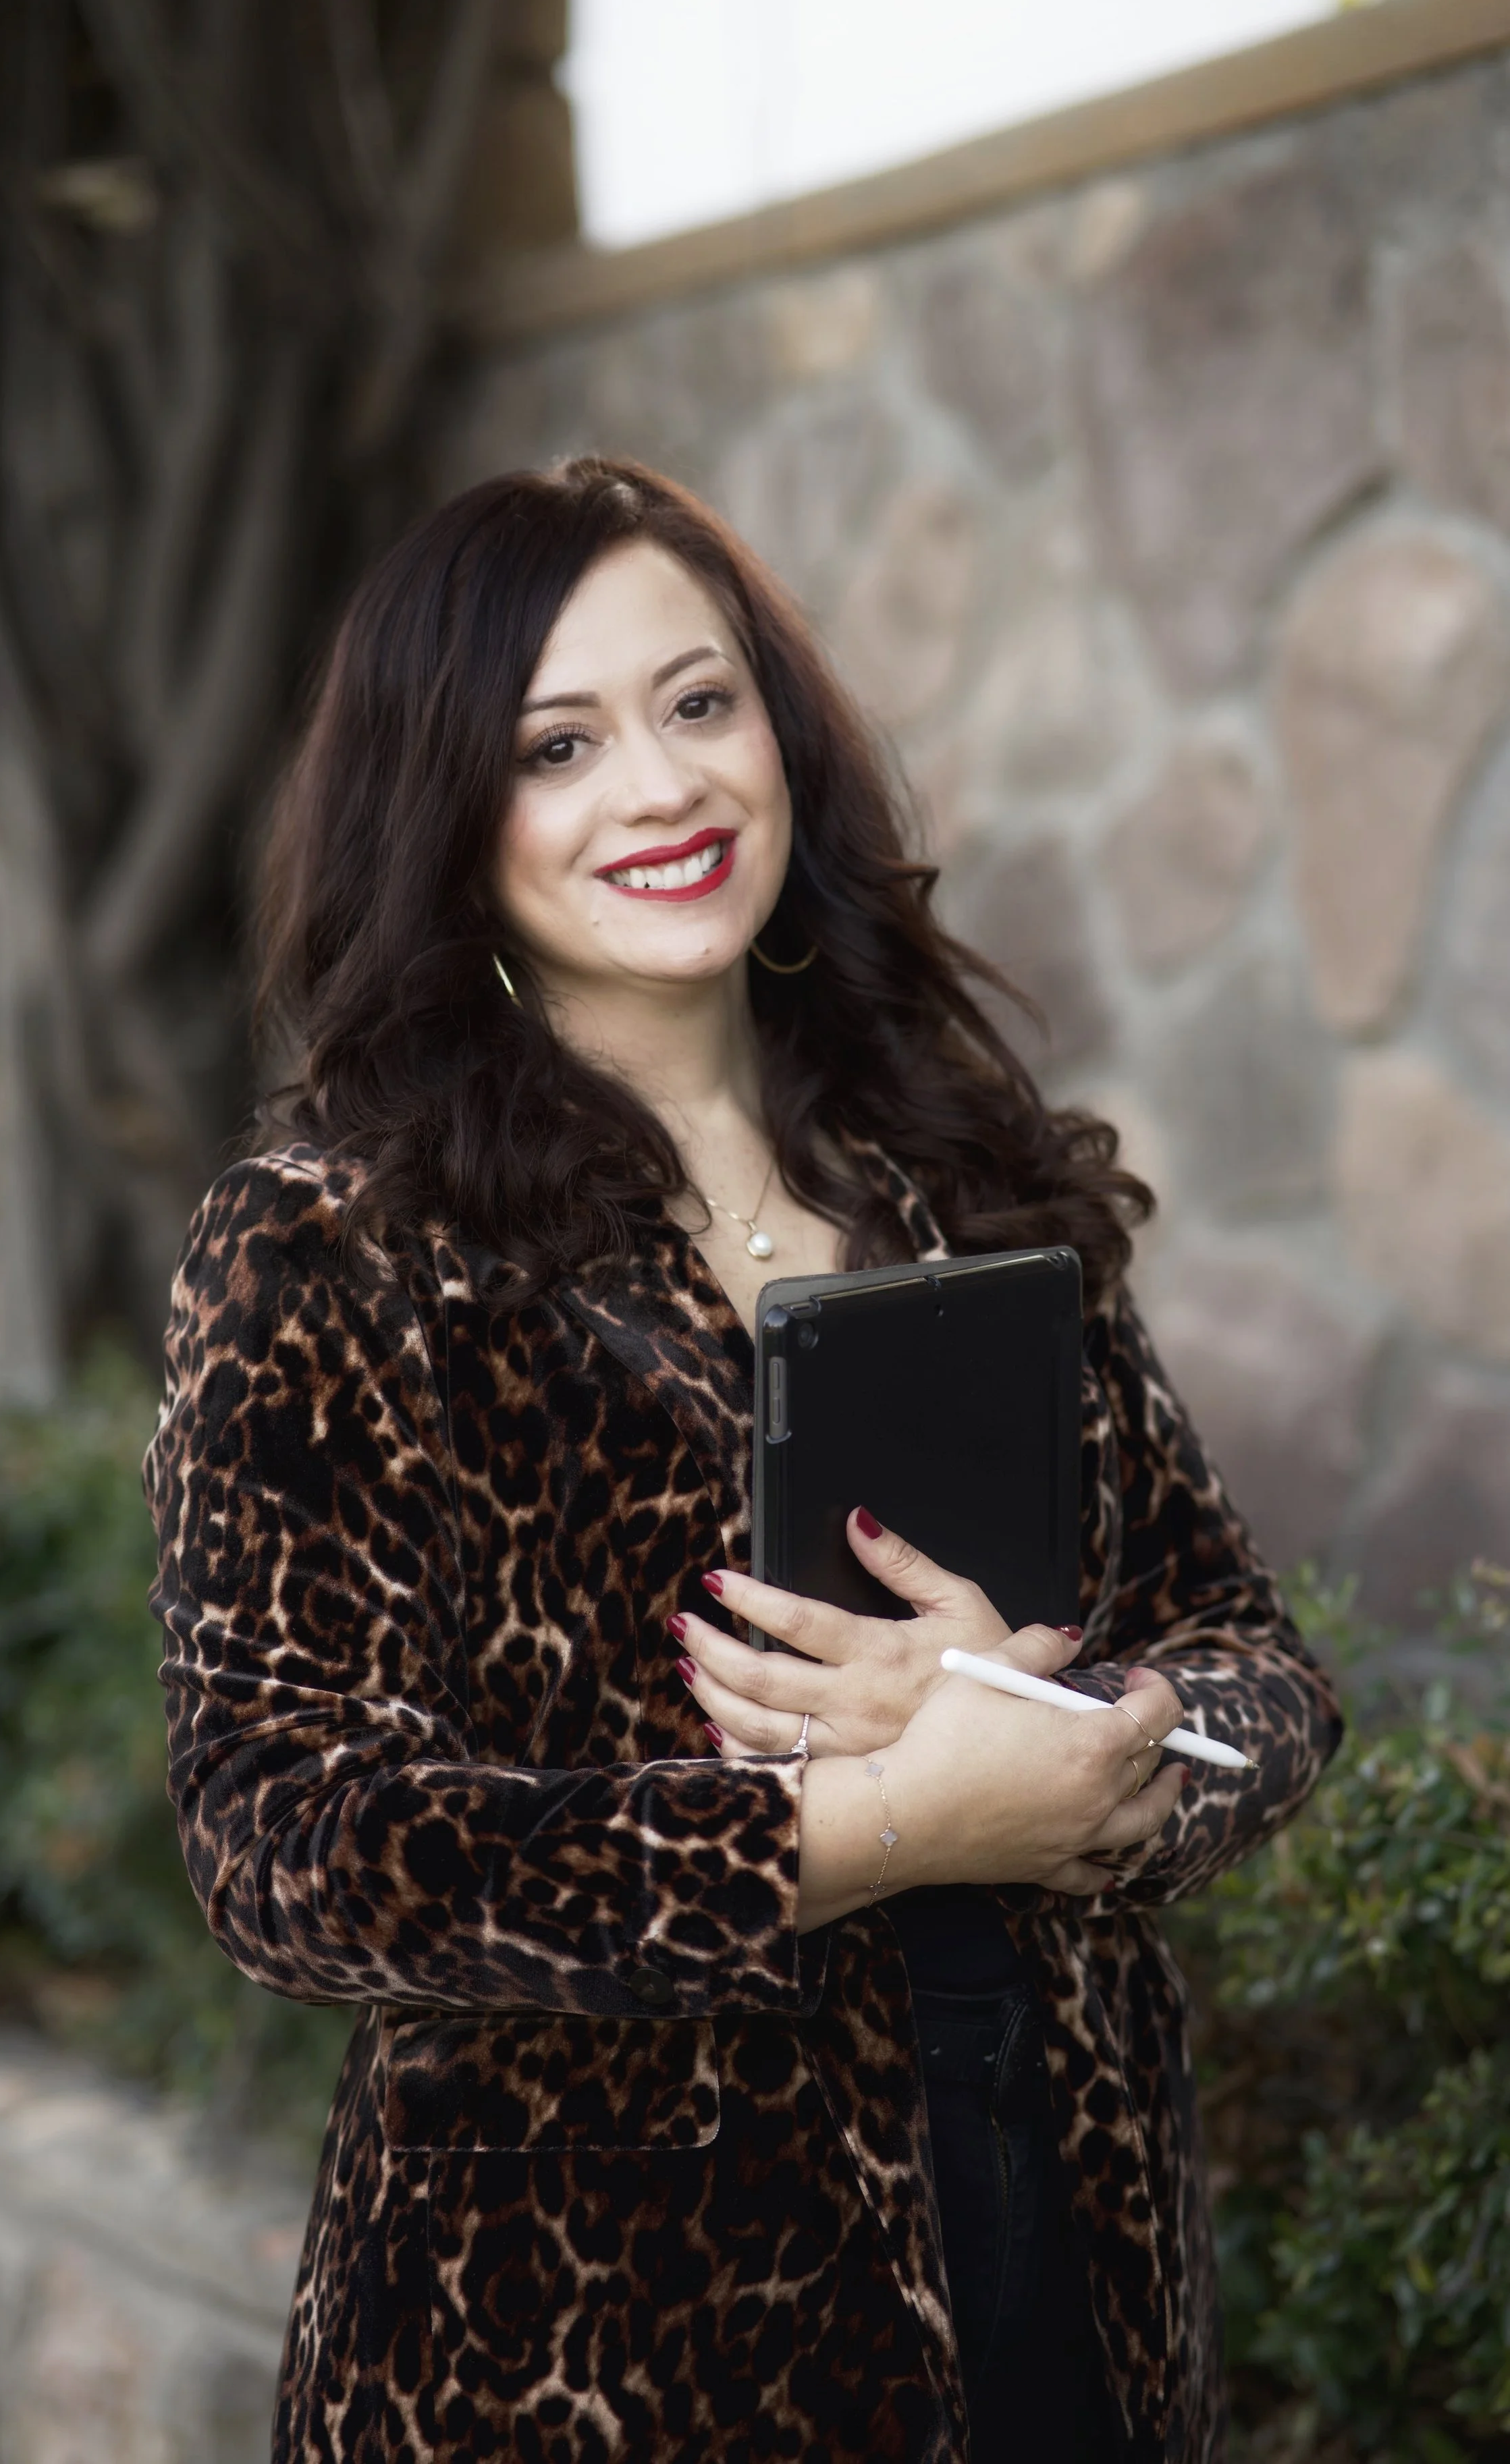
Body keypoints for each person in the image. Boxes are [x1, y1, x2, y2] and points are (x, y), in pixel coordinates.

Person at [147, 456, 1341, 2464]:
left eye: (701, 703)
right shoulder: (335, 1240)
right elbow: (291, 1845)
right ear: (444, 810)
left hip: (1052, 2242)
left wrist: (1088, 1744)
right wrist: (875, 1822)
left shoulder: (946, 1173)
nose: (662, 785)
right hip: (585, 2340)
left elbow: (1258, 1665)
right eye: (557, 742)